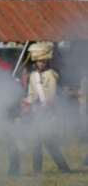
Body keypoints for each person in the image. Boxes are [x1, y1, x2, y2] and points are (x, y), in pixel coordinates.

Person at [20, 42, 70, 173]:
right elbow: (31, 95)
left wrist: (41, 112)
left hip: (49, 113)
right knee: (37, 140)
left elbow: (51, 96)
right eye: (39, 61)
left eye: (44, 61)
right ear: (36, 61)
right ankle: (37, 170)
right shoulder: (32, 77)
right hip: (38, 112)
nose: (41, 63)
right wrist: (26, 105)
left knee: (48, 140)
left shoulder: (51, 75)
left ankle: (64, 168)